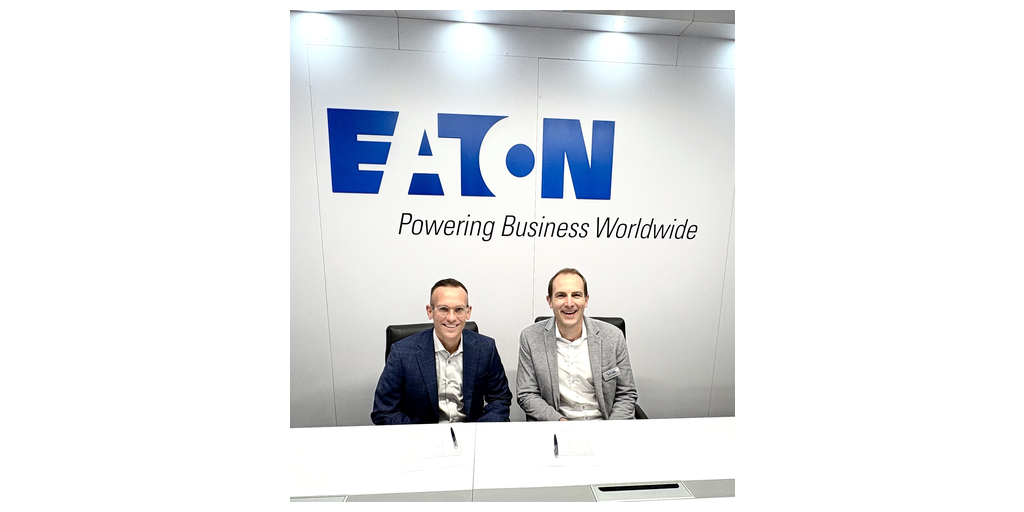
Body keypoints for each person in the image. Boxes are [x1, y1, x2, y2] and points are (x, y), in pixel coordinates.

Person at [372, 278, 512, 424]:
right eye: (443, 309)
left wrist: (479, 431)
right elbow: (384, 411)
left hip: (471, 432)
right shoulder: (402, 352)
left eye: (458, 309)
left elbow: (500, 399)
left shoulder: (486, 348)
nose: (451, 318)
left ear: (468, 312)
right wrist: (418, 434)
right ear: (430, 311)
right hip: (421, 433)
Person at [516, 268, 638, 421]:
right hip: (557, 425)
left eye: (576, 295)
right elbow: (527, 394)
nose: (569, 303)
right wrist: (560, 422)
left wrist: (609, 429)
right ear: (550, 301)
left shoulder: (613, 337)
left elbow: (626, 394)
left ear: (586, 300)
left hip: (605, 424)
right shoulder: (530, 338)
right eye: (561, 295)